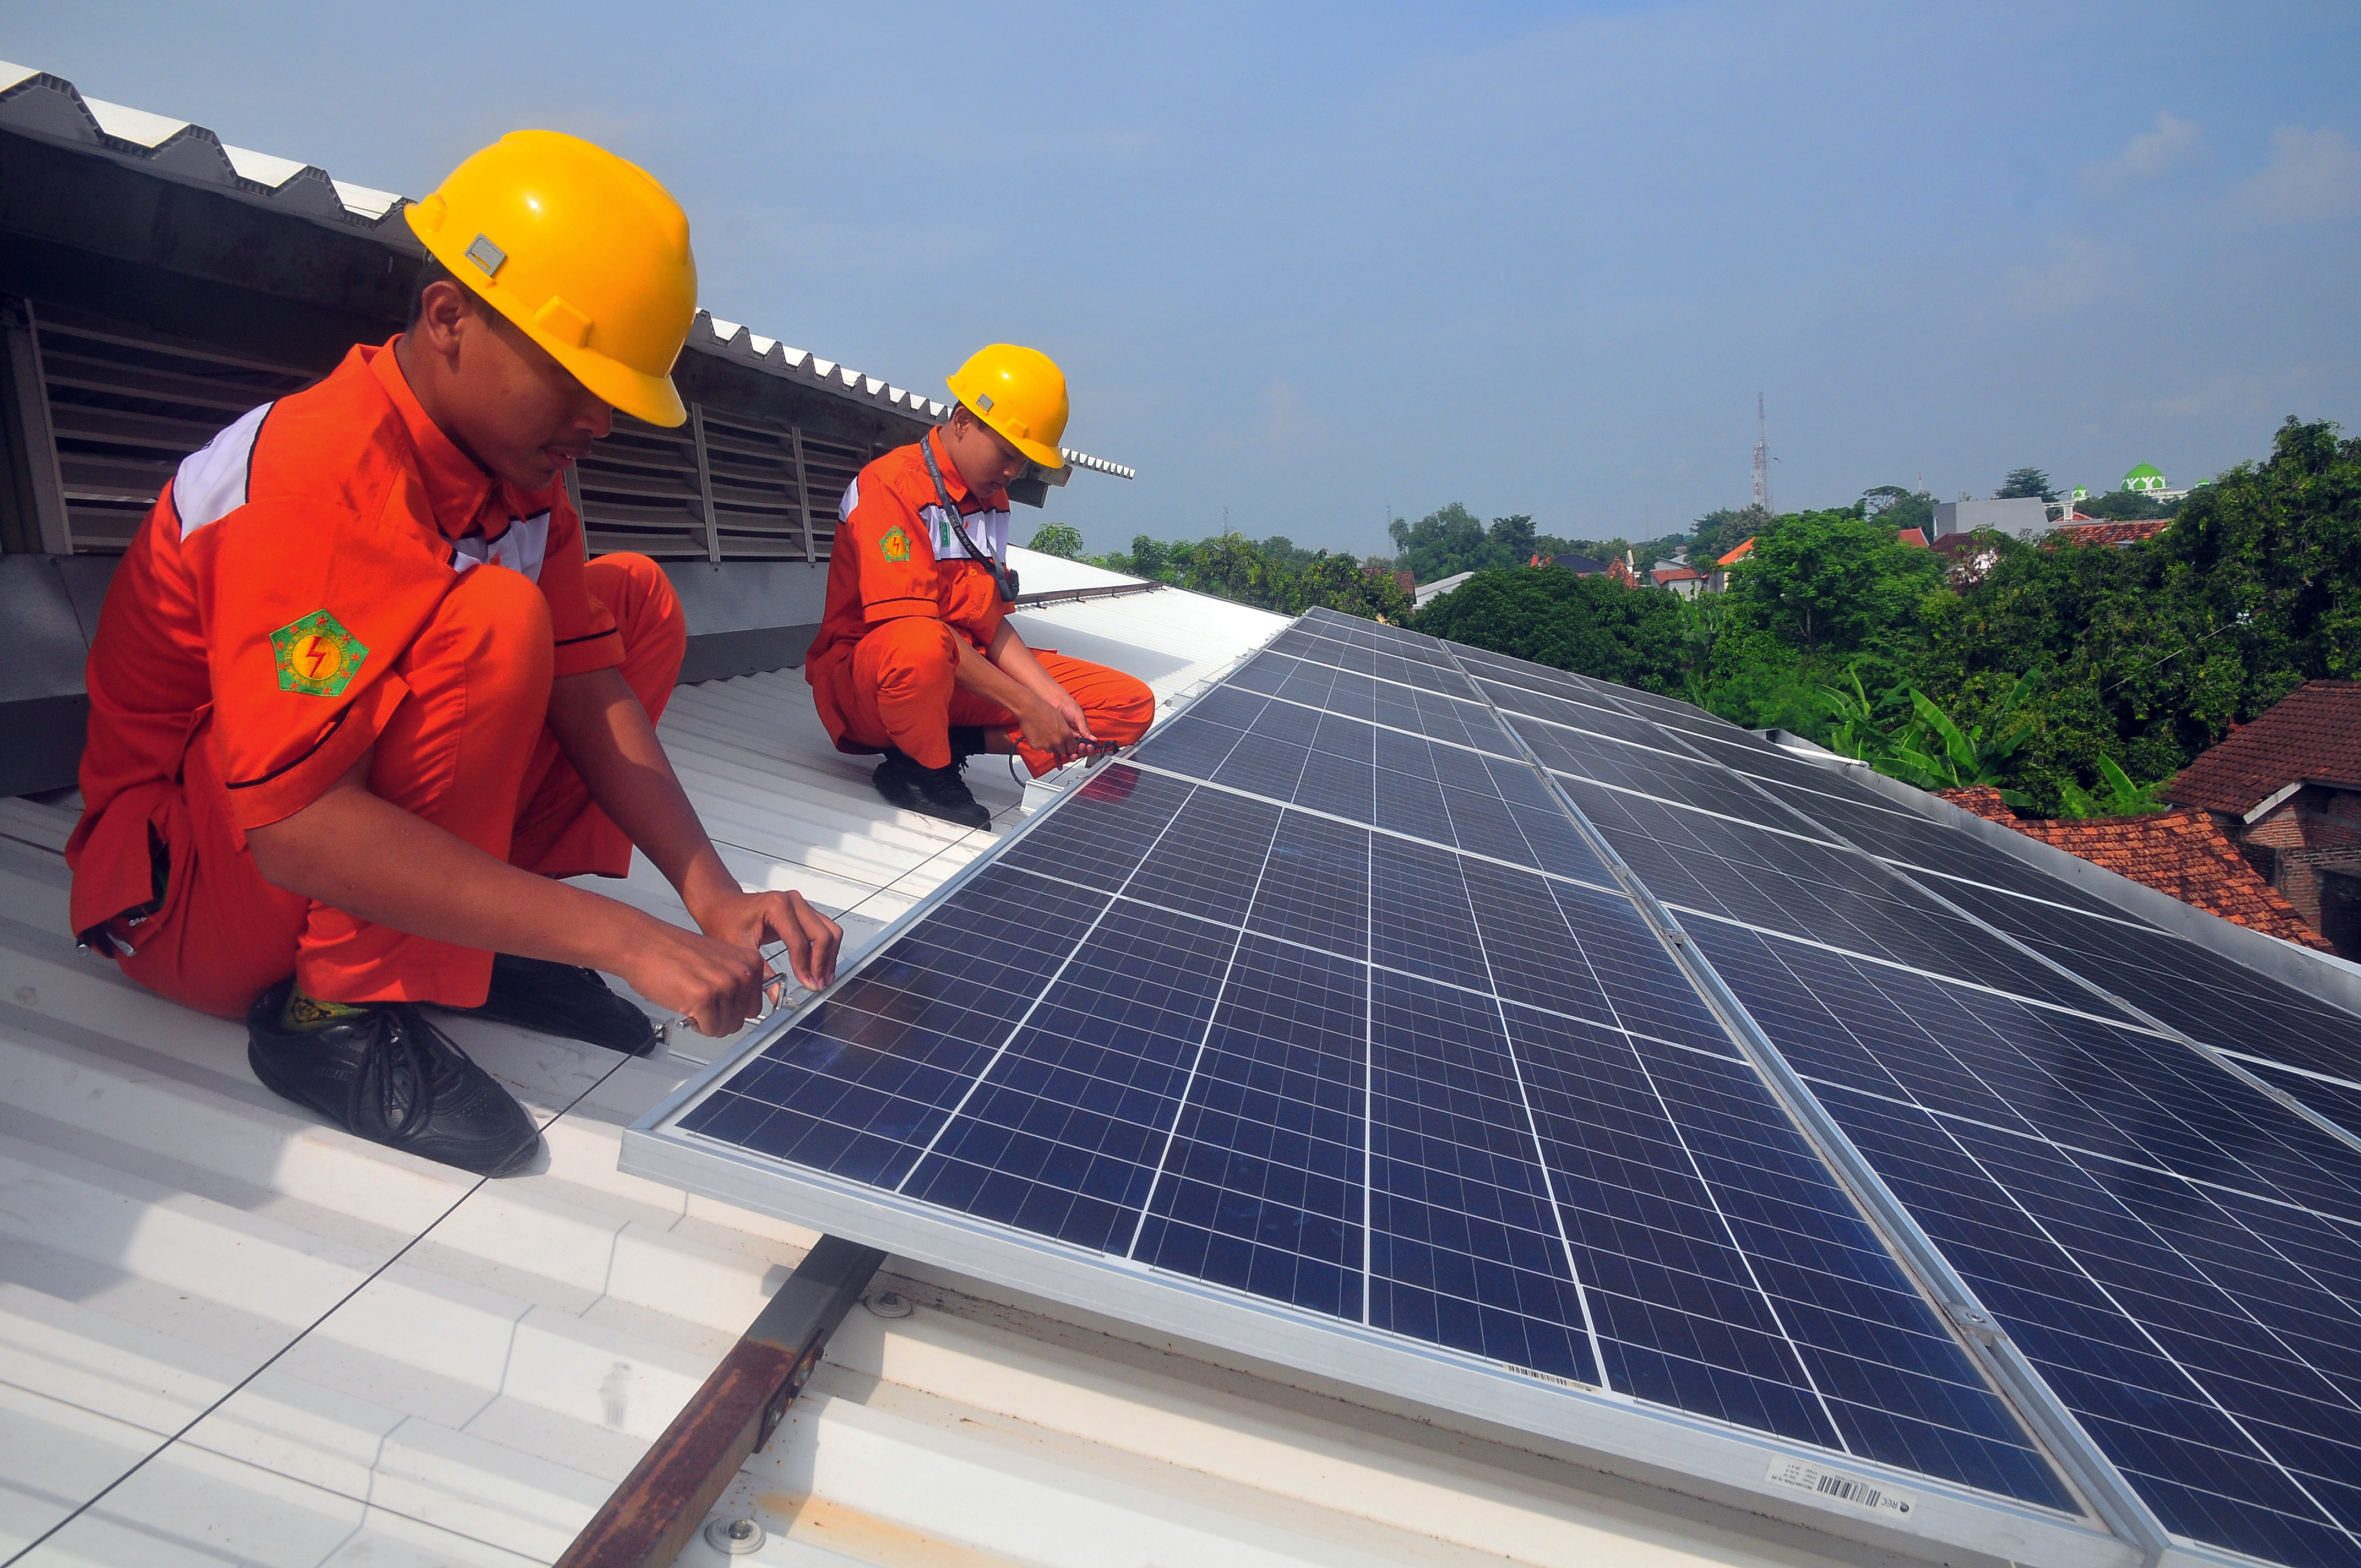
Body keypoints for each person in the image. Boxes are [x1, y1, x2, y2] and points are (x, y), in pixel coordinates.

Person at [65, 131, 841, 1178]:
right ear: (447, 318)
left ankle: (472, 941)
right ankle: (334, 1014)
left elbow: (588, 685)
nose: (598, 421)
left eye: (613, 393)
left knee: (633, 604)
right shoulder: (315, 478)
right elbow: (292, 827)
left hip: (298, 845)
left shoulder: (517, 480)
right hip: (188, 891)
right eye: (572, 376)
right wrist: (622, 937)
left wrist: (712, 896)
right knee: (492, 622)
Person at [807, 345, 1155, 829]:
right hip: (879, 682)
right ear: (964, 421)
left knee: (1128, 704)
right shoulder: (890, 486)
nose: (1012, 472)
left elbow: (989, 625)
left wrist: (1053, 700)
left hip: (959, 673)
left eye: (1023, 462)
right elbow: (912, 627)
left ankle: (951, 744)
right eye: (1007, 454)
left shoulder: (993, 501)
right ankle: (923, 771)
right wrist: (1025, 706)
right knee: (921, 645)